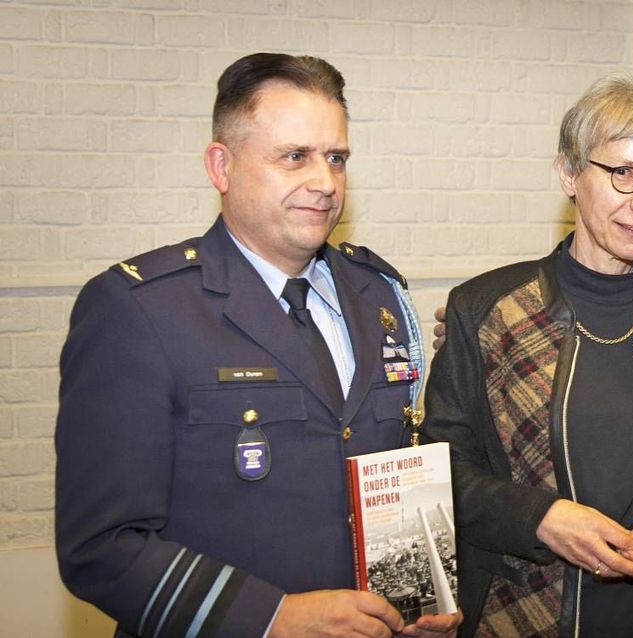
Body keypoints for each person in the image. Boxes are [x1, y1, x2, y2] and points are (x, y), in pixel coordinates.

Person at [55, 53, 460, 638]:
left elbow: (391, 468)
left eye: (336, 158)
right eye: (294, 157)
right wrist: (273, 619)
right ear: (222, 166)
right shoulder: (140, 310)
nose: (324, 182)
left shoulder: (379, 295)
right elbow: (101, 547)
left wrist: (415, 600)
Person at [422, 76, 633, 637]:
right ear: (569, 174)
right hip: (525, 608)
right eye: (623, 174)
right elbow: (442, 469)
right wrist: (543, 518)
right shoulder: (489, 311)